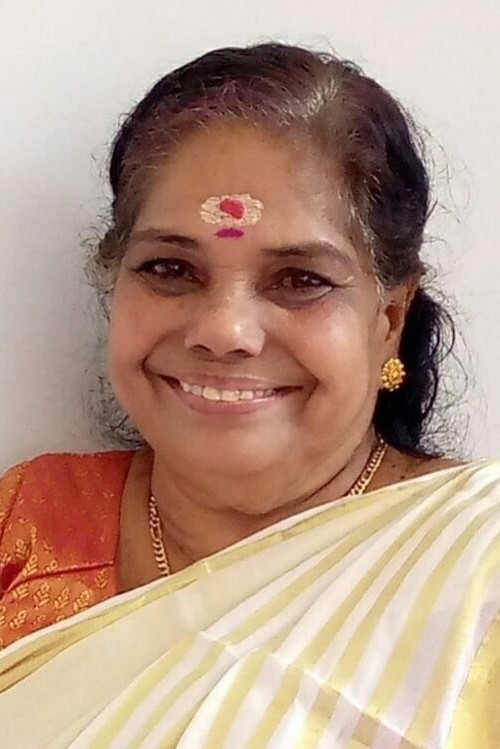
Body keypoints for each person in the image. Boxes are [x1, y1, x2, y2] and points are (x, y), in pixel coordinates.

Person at [0, 42, 498, 748]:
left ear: (389, 320)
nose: (224, 331)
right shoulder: (29, 522)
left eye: (300, 280)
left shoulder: (479, 565)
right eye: (170, 269)